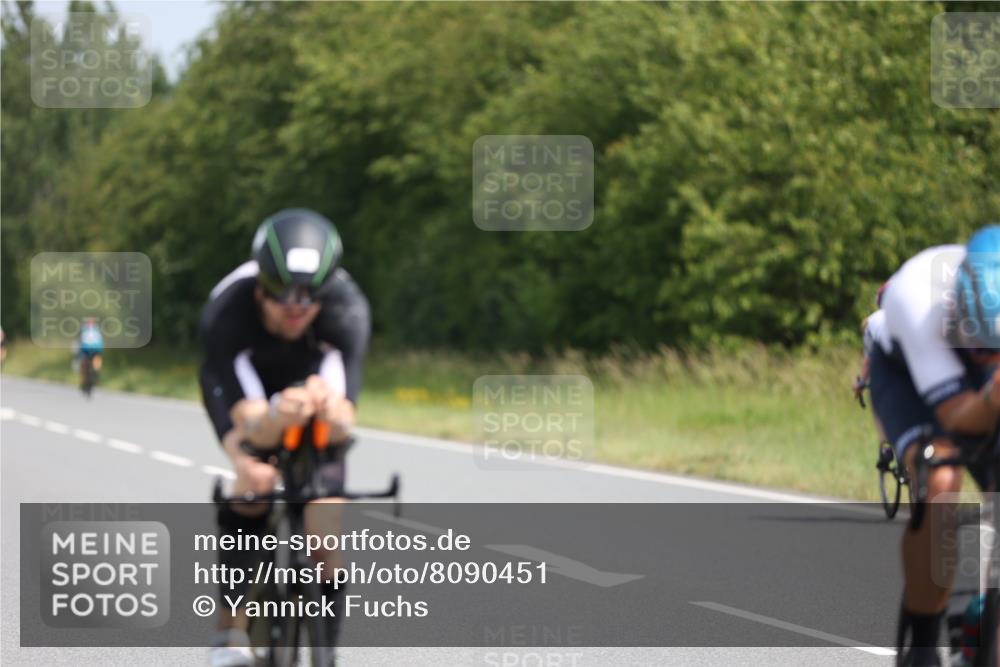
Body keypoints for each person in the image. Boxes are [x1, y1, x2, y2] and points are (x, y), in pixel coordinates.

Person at [198, 209, 371, 667]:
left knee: (324, 527)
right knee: (253, 480)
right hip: (247, 389)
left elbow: (343, 420)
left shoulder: (346, 309)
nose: (296, 307)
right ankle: (230, 631)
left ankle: (326, 652)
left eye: (309, 298)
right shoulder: (228, 311)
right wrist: (277, 415)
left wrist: (326, 410)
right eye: (282, 296)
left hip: (313, 394)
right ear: (261, 287)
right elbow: (250, 422)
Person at [869, 226, 1000, 666]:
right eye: (980, 347)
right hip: (907, 374)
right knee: (941, 477)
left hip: (983, 387)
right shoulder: (917, 299)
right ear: (956, 306)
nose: (986, 357)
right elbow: (961, 417)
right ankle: (923, 640)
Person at [854, 283, 891, 461]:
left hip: (891, 369)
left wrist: (860, 382)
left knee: (879, 403)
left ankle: (886, 447)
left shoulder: (873, 321)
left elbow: (869, 360)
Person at [77, 317, 104, 390]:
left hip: (91, 349)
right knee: (86, 362)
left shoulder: (93, 330)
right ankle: (87, 377)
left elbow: (79, 340)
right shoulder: (91, 329)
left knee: (91, 362)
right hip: (89, 349)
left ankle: (94, 376)